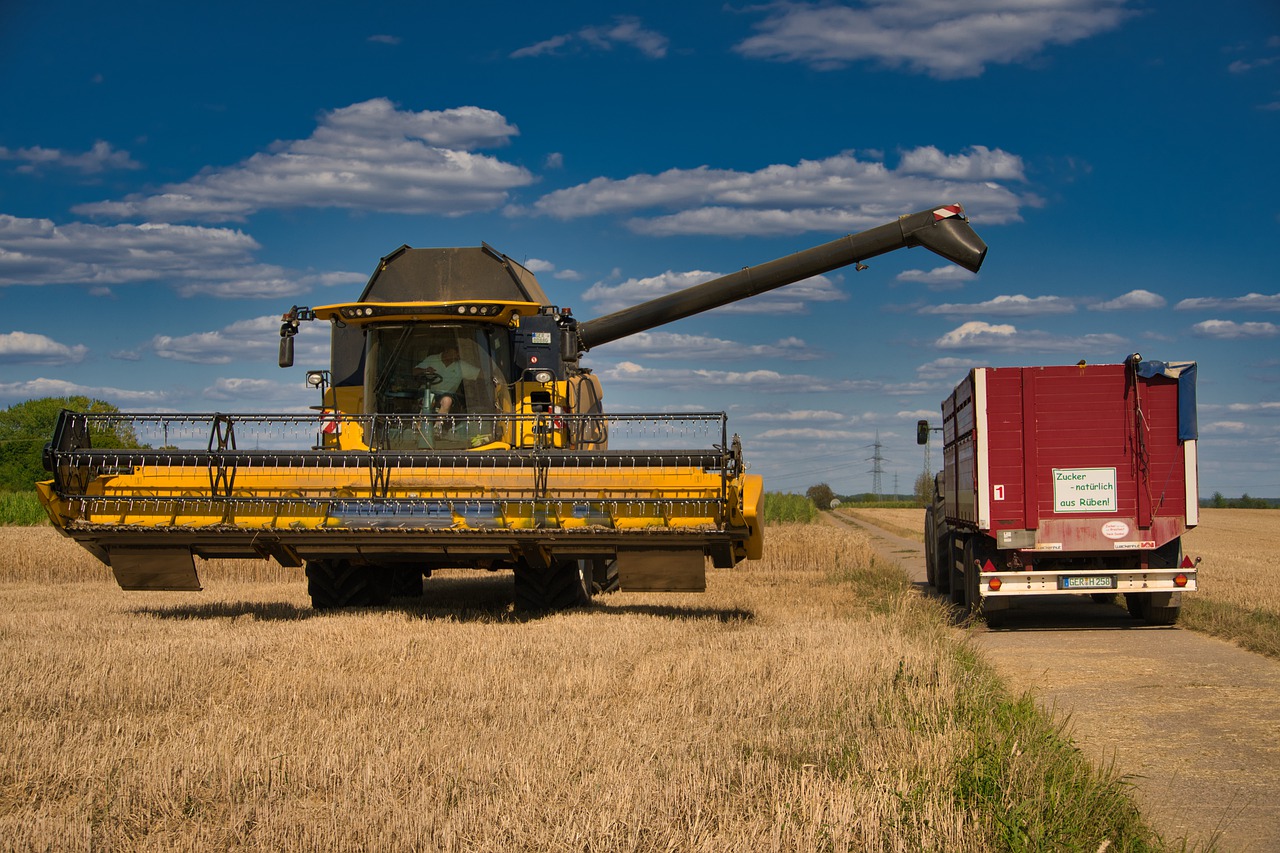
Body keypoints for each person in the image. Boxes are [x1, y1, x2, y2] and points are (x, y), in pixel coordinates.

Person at [413, 345, 480, 415]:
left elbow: (479, 374)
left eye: (458, 353)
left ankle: (438, 424)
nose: (457, 355)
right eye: (455, 352)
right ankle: (421, 423)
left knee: (447, 401)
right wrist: (425, 370)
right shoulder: (432, 359)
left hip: (447, 395)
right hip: (426, 392)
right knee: (428, 400)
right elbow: (414, 372)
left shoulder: (460, 365)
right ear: (447, 350)